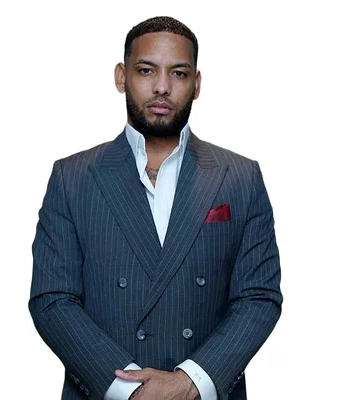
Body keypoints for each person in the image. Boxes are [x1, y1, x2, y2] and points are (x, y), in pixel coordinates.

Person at [29, 16, 283, 400]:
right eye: (146, 70)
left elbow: (259, 296)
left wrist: (190, 382)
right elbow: (52, 299)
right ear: (121, 77)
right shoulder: (72, 177)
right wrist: (127, 389)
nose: (162, 86)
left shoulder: (241, 177)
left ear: (197, 84)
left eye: (178, 73)